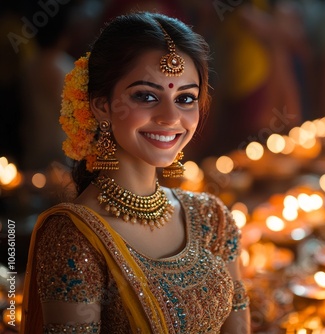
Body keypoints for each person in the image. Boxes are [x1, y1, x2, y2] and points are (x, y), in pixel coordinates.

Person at [21, 11, 250, 333]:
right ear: (102, 106)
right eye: (146, 96)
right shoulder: (74, 237)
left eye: (185, 98)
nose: (171, 116)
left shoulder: (212, 218)